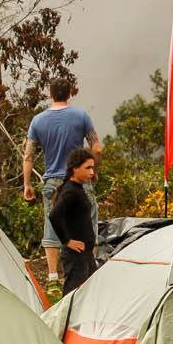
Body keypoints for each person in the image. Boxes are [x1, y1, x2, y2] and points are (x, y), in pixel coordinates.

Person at [23, 78, 100, 281]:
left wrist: (27, 184)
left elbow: (28, 155)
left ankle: (53, 277)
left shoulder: (38, 121)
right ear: (70, 94)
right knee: (88, 224)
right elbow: (96, 146)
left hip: (52, 182)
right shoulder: (81, 116)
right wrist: (93, 169)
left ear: (50, 94)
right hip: (79, 180)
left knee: (51, 225)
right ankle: (89, 274)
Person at [47, 149, 98, 295]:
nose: (92, 172)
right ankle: (64, 319)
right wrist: (67, 241)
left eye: (92, 168)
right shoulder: (70, 191)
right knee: (72, 296)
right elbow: (54, 216)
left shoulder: (78, 189)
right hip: (76, 256)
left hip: (85, 254)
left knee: (90, 293)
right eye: (87, 168)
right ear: (74, 169)